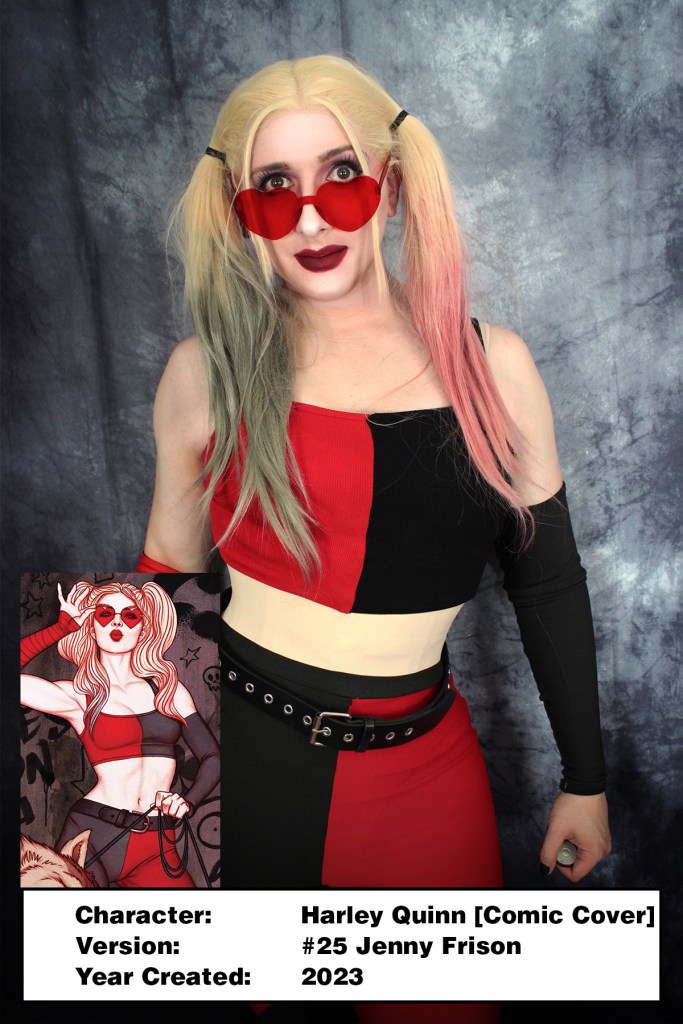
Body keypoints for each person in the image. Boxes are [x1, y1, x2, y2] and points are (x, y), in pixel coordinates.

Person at [138, 55, 610, 1021]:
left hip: (422, 776)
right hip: (238, 773)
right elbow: (158, 590)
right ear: (241, 212)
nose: (311, 219)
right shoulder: (203, 373)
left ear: (389, 186)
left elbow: (547, 583)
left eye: (341, 176)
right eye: (275, 188)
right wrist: (108, 822)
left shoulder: (494, 368)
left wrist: (586, 780)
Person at [20, 580, 220, 888]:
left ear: (144, 626)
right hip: (91, 834)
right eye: (104, 614)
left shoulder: (169, 691)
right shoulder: (79, 697)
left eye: (130, 615)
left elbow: (212, 756)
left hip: (156, 840)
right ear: (90, 626)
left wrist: (188, 801)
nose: (116, 623)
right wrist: (60, 628)